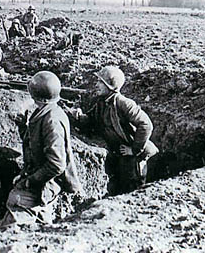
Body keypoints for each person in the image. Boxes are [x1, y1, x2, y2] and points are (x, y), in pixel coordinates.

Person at [0, 71, 82, 230]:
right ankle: (44, 227)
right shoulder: (46, 111)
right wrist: (23, 126)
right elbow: (37, 144)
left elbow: (56, 164)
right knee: (41, 221)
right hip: (41, 178)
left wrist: (30, 181)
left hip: (45, 184)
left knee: (14, 208)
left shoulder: (52, 121)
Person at [67, 66, 158, 196]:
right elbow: (91, 121)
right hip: (117, 154)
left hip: (132, 158)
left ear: (110, 86)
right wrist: (78, 117)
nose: (97, 85)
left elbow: (146, 125)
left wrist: (134, 149)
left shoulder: (124, 103)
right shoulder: (100, 102)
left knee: (132, 192)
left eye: (100, 82)